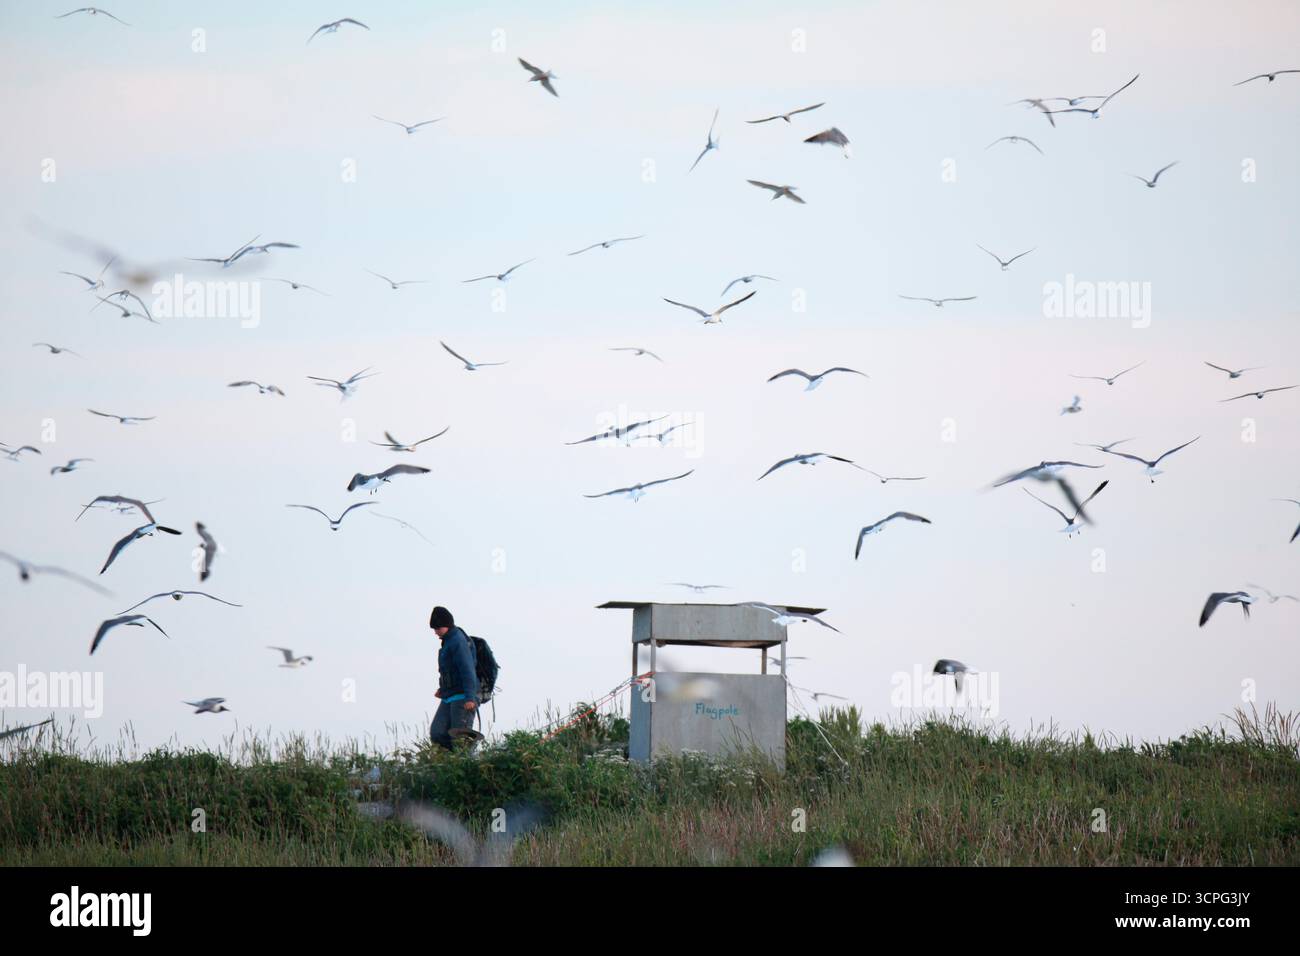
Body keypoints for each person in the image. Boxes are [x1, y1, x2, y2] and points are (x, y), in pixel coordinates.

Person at [429, 605, 480, 749]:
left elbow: (467, 669)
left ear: (446, 625)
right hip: (449, 696)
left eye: (437, 628)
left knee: (460, 740)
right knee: (437, 733)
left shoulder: (458, 641)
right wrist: (442, 689)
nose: (435, 632)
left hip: (463, 697)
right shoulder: (448, 641)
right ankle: (453, 762)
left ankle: (465, 764)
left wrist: (470, 697)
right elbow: (450, 670)